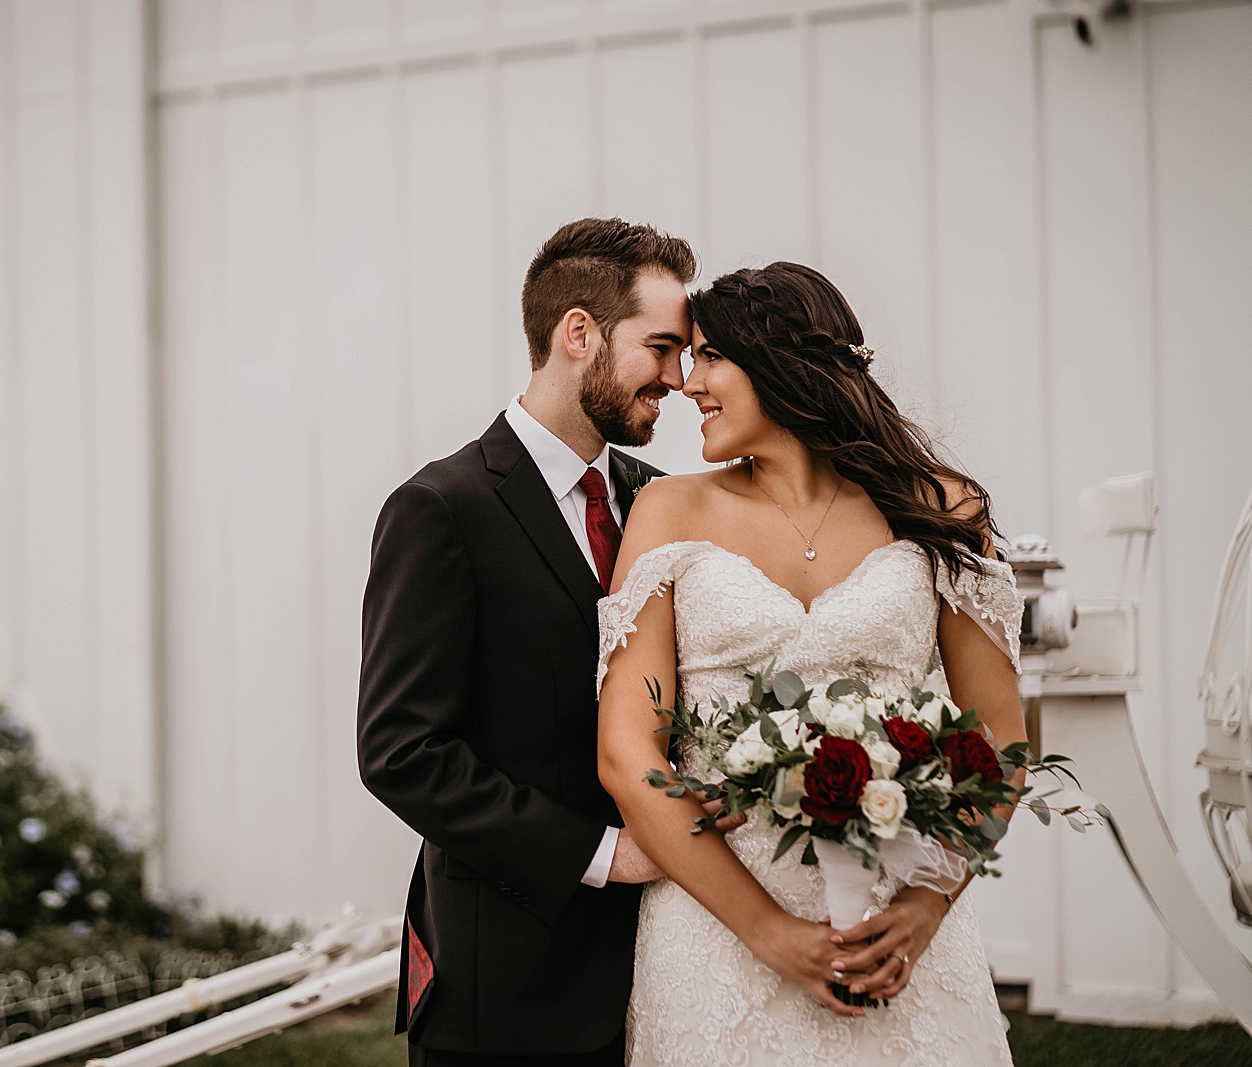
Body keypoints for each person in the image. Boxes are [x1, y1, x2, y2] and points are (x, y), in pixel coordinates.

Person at [596, 262, 1024, 1065]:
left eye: (712, 355)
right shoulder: (668, 510)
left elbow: (1001, 741)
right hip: (715, 939)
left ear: (783, 363)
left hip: (894, 930)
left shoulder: (940, 507)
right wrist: (769, 931)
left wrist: (927, 904)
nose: (689, 383)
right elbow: (626, 752)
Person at [358, 218, 727, 1065]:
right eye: (662, 348)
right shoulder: (441, 509)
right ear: (578, 333)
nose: (678, 379)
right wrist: (605, 853)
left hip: (666, 961)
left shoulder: (659, 500)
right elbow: (402, 751)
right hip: (508, 981)